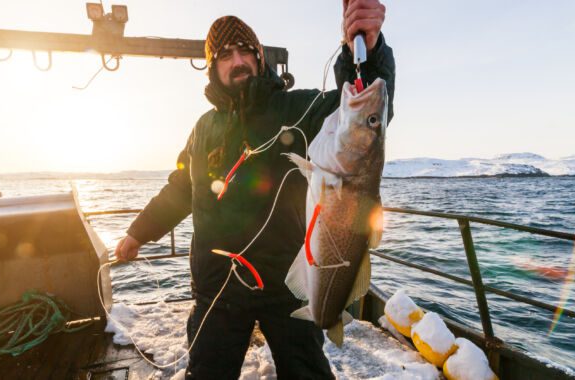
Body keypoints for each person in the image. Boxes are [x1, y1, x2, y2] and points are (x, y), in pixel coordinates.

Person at [115, 1, 395, 378]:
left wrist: (366, 49)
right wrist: (138, 232)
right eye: (225, 54)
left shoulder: (297, 107)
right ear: (213, 66)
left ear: (259, 57)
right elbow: (180, 189)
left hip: (287, 280)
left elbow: (361, 115)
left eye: (246, 50)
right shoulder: (203, 128)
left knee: (307, 373)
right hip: (218, 285)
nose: (238, 60)